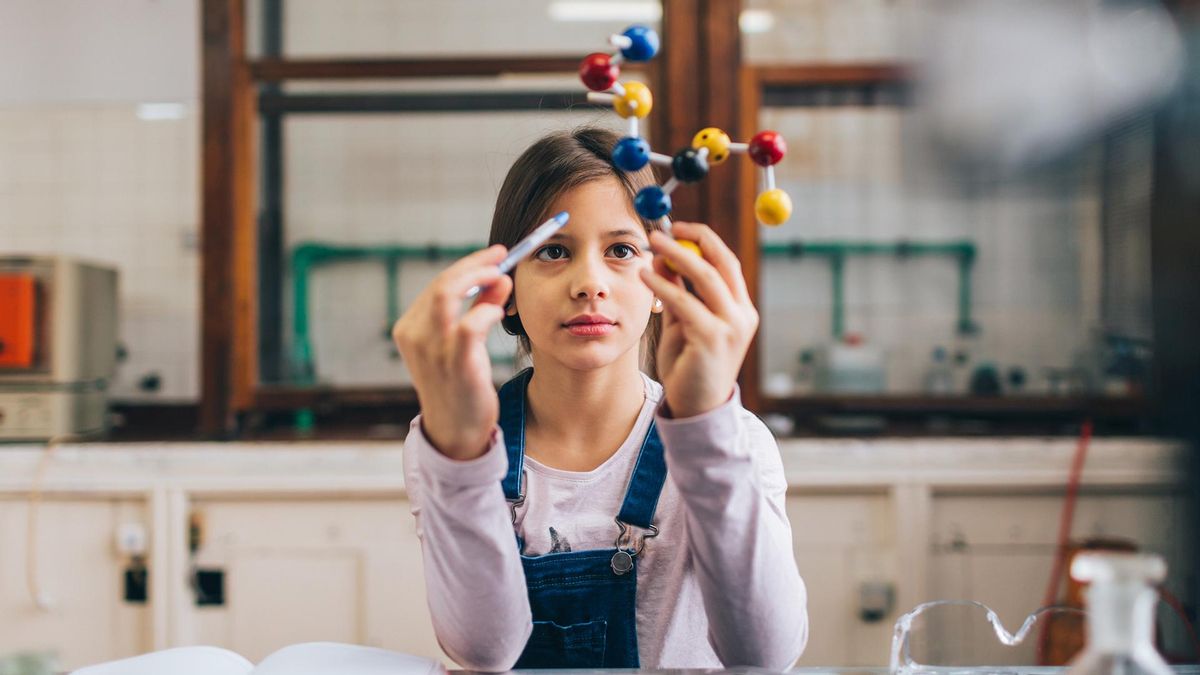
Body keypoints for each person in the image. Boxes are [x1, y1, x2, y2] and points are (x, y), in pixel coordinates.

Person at [393, 126, 808, 671]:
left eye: (621, 249)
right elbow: (483, 652)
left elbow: (766, 655)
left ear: (664, 281)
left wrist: (706, 430)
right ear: (507, 290)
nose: (589, 282)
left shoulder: (737, 440)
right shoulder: (451, 444)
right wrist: (460, 453)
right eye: (554, 251)